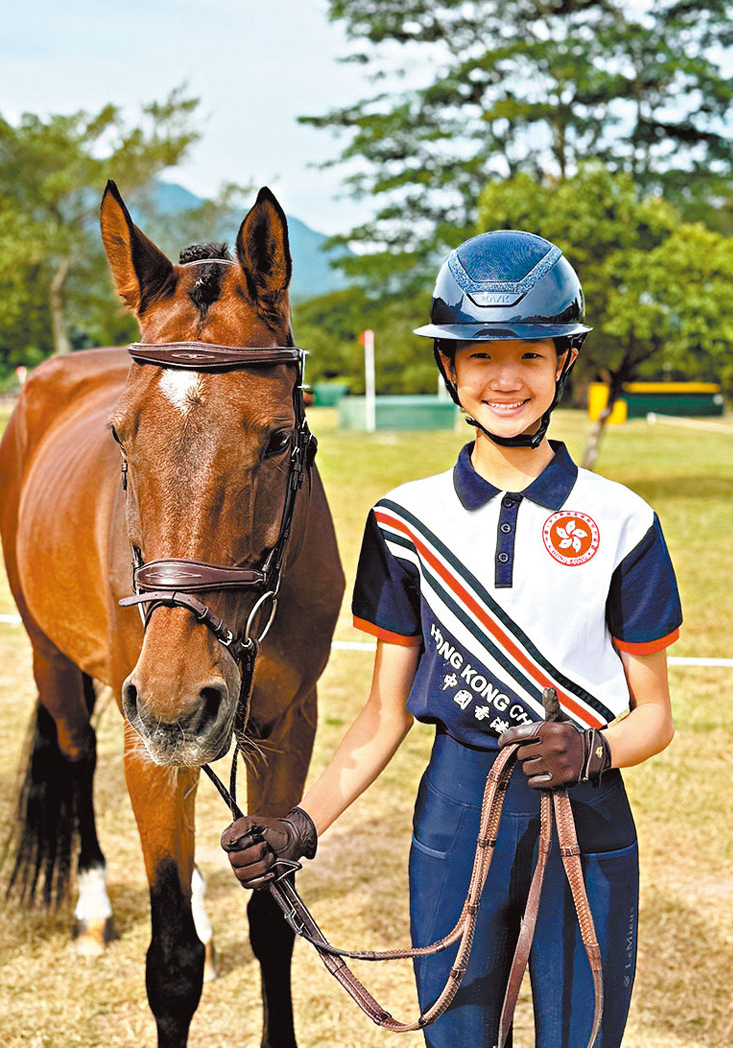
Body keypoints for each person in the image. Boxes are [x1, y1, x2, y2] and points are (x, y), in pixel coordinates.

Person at [221, 230, 682, 1048]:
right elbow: (379, 717)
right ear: (451, 371)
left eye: (529, 355)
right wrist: (299, 825)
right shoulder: (403, 522)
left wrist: (597, 751)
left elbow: (654, 716)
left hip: (587, 815)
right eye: (479, 357)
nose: (505, 379)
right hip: (455, 814)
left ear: (561, 364)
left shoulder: (623, 520)